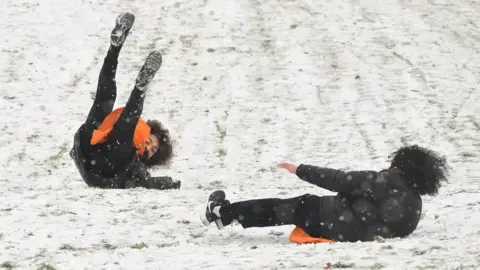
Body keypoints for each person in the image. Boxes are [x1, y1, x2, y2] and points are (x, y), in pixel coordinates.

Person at [201, 145, 448, 242]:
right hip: (350, 233)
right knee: (292, 209)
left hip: (327, 219)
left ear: (401, 165)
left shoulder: (387, 181)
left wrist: (300, 169)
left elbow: (340, 180)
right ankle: (225, 214)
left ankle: (221, 212)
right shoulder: (415, 203)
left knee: (282, 208)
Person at [70, 12, 180, 190]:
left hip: (102, 167)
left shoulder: (137, 166)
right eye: (150, 141)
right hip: (88, 144)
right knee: (105, 100)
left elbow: (148, 181)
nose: (148, 146)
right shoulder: (133, 154)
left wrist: (168, 183)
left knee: (125, 128)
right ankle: (115, 47)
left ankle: (140, 89)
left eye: (151, 151)